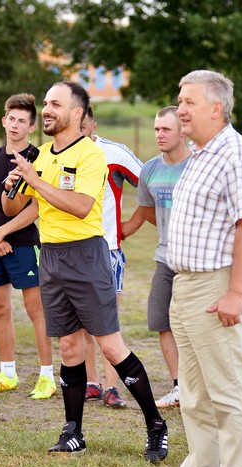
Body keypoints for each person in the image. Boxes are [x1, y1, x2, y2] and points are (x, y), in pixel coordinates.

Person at [1, 81, 167, 462]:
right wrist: (12, 187)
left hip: (88, 255)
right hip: (52, 256)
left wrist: (35, 179)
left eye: (55, 104)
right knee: (70, 346)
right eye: (45, 103)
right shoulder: (41, 154)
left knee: (110, 345)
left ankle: (156, 425)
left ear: (77, 113)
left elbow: (78, 206)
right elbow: (15, 211)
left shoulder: (92, 155)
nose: (46, 109)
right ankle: (73, 431)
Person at [148, 70, 242, 467]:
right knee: (193, 392)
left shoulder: (236, 155)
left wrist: (235, 294)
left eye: (188, 101)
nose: (180, 108)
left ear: (216, 108)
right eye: (180, 100)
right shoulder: (199, 153)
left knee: (230, 390)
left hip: (216, 287)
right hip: (185, 284)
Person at [0, 93, 56, 399]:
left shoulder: (40, 157)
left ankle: (47, 376)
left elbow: (37, 207)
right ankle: (7, 373)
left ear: (32, 126)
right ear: (3, 120)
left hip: (24, 244)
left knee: (36, 310)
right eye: (11, 119)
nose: (15, 125)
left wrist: (3, 233)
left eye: (22, 121)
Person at [121, 106, 190, 408]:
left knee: (196, 326)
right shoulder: (149, 169)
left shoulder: (197, 165)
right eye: (156, 129)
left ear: (182, 131)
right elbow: (147, 211)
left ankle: (203, 389)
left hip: (197, 262)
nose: (159, 135)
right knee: (161, 321)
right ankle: (179, 388)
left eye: (166, 129)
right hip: (165, 258)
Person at [78, 105, 142, 409]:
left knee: (107, 319)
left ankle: (112, 386)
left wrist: (130, 224)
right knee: (80, 322)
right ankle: (91, 382)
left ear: (93, 126)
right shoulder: (55, 154)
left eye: (83, 126)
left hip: (107, 249)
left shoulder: (113, 154)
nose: (78, 132)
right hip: (71, 248)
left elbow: (150, 185)